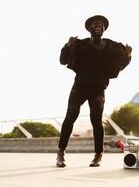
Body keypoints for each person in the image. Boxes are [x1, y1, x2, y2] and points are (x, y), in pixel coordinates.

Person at [56, 15, 132, 168]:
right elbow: (63, 60)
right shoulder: (80, 44)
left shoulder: (112, 47)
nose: (99, 25)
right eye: (95, 23)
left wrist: (128, 55)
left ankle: (98, 155)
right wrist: (67, 46)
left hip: (98, 89)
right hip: (80, 86)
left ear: (104, 29)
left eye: (102, 24)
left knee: (96, 121)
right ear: (89, 28)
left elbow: (120, 65)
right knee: (70, 116)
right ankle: (61, 153)